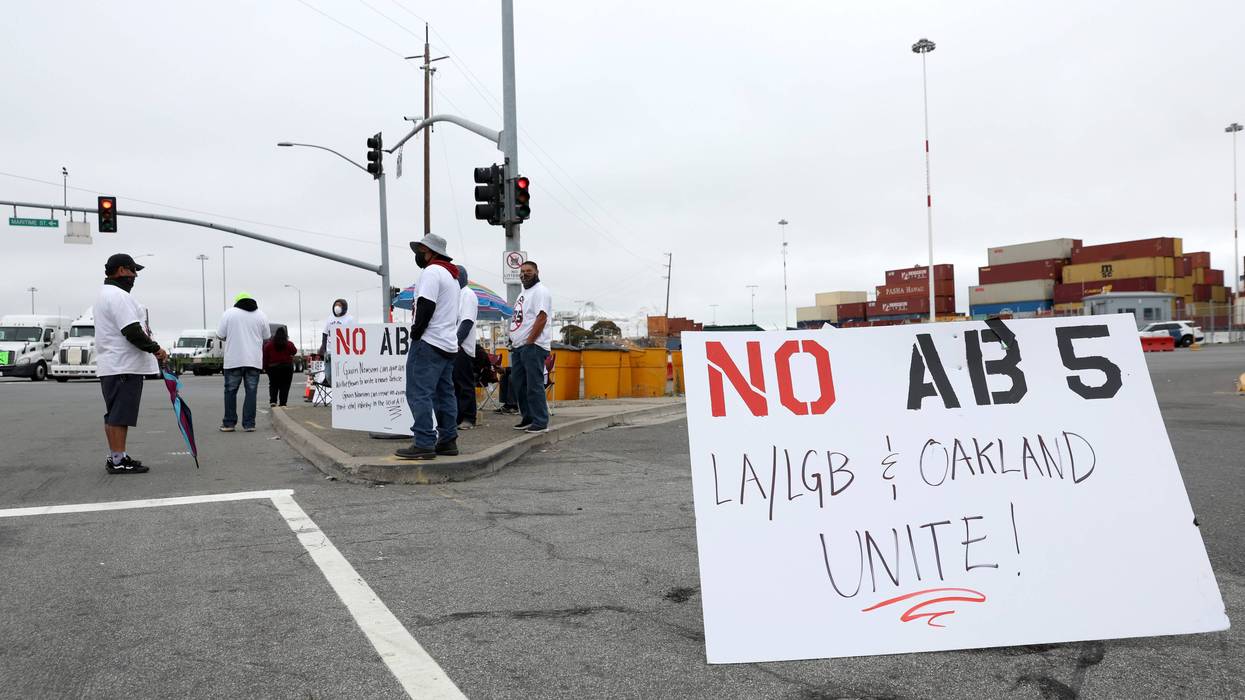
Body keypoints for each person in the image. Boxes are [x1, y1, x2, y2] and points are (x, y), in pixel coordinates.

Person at [94, 253, 168, 474]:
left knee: (115, 414)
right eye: (132, 270)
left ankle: (117, 456)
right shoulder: (118, 296)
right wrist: (156, 349)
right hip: (122, 365)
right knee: (120, 415)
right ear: (121, 271)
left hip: (112, 365)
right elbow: (131, 330)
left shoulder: (104, 294)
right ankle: (118, 461)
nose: (135, 276)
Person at [395, 234, 460, 460]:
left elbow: (426, 304)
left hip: (429, 342)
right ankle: (448, 440)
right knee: (444, 394)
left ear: (431, 252)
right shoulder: (452, 277)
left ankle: (423, 442)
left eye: (420, 251)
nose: (418, 256)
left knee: (418, 392)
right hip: (448, 344)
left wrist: (416, 332)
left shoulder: (431, 272)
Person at [508, 260, 553, 433]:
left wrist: (529, 342)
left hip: (533, 346)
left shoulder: (540, 291)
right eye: (522, 271)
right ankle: (528, 417)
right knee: (519, 384)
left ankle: (540, 421)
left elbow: (541, 317)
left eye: (528, 271)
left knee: (534, 385)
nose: (524, 274)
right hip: (519, 347)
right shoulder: (523, 294)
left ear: (536, 272)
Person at [217, 292, 270, 432]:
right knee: (251, 392)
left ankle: (229, 423)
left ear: (237, 302)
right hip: (253, 360)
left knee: (230, 391)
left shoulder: (229, 314)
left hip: (233, 360)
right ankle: (249, 424)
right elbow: (266, 337)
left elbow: (220, 335)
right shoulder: (261, 315)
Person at [453, 264, 478, 430]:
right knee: (453, 384)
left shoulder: (467, 294)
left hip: (460, 346)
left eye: (456, 275)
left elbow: (467, 321)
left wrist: (456, 343)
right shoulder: (454, 295)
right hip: (451, 345)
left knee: (464, 384)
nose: (454, 278)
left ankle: (469, 417)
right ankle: (457, 417)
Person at [318, 298, 353, 386]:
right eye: (336, 305)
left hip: (343, 352)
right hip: (329, 351)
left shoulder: (349, 319)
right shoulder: (330, 318)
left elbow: (353, 335)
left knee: (341, 374)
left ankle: (339, 392)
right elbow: (325, 333)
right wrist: (323, 347)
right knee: (329, 375)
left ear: (344, 307)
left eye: (340, 305)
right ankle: (334, 389)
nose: (337, 307)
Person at [263, 326, 298, 407]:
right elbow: (294, 351)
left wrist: (265, 368)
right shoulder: (289, 344)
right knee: (285, 385)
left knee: (273, 384)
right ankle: (283, 403)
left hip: (273, 368)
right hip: (287, 368)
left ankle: (273, 401)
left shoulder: (269, 345)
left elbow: (265, 357)